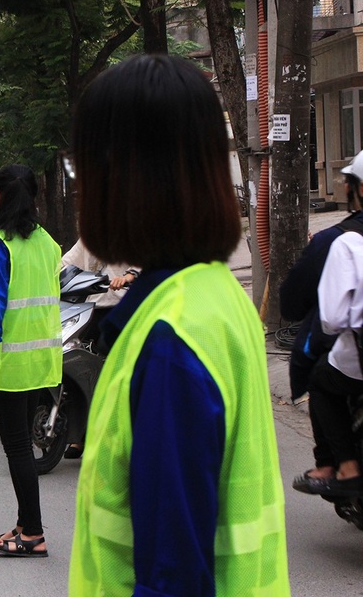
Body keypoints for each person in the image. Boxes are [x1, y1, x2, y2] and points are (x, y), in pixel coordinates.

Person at [68, 54, 289, 595]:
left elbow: (174, 576)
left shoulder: (170, 339)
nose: (80, 189)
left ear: (125, 178)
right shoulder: (216, 294)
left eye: (85, 170)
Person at [0, 165, 61, 557]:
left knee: (17, 449)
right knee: (23, 447)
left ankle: (33, 533)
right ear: (34, 197)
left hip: (11, 364)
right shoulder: (49, 242)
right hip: (44, 362)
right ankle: (24, 524)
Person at [280, 152, 363, 403]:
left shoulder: (339, 241)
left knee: (318, 379)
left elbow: (330, 318)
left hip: (351, 366)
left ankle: (335, 444)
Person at [292, 221, 363, 497]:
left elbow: (331, 319)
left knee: (319, 379)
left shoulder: (346, 243)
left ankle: (342, 467)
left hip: (353, 360)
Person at [59, 238, 139, 459]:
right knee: (77, 368)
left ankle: (118, 435)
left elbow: (143, 262)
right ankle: (80, 436)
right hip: (91, 307)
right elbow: (67, 262)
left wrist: (128, 277)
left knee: (117, 375)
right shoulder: (90, 236)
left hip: (120, 308)